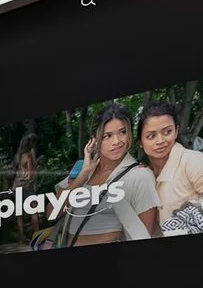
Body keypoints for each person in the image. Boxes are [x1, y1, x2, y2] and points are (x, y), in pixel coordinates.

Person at [54, 103, 160, 245]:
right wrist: (83, 175)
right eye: (107, 136)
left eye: (122, 132)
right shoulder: (82, 169)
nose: (117, 141)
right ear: (95, 139)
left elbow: (143, 234)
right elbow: (52, 213)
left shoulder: (141, 176)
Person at [136, 99, 203, 235]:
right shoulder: (145, 175)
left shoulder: (197, 162)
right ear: (140, 143)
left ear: (176, 131)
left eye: (167, 132)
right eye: (151, 136)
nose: (160, 141)